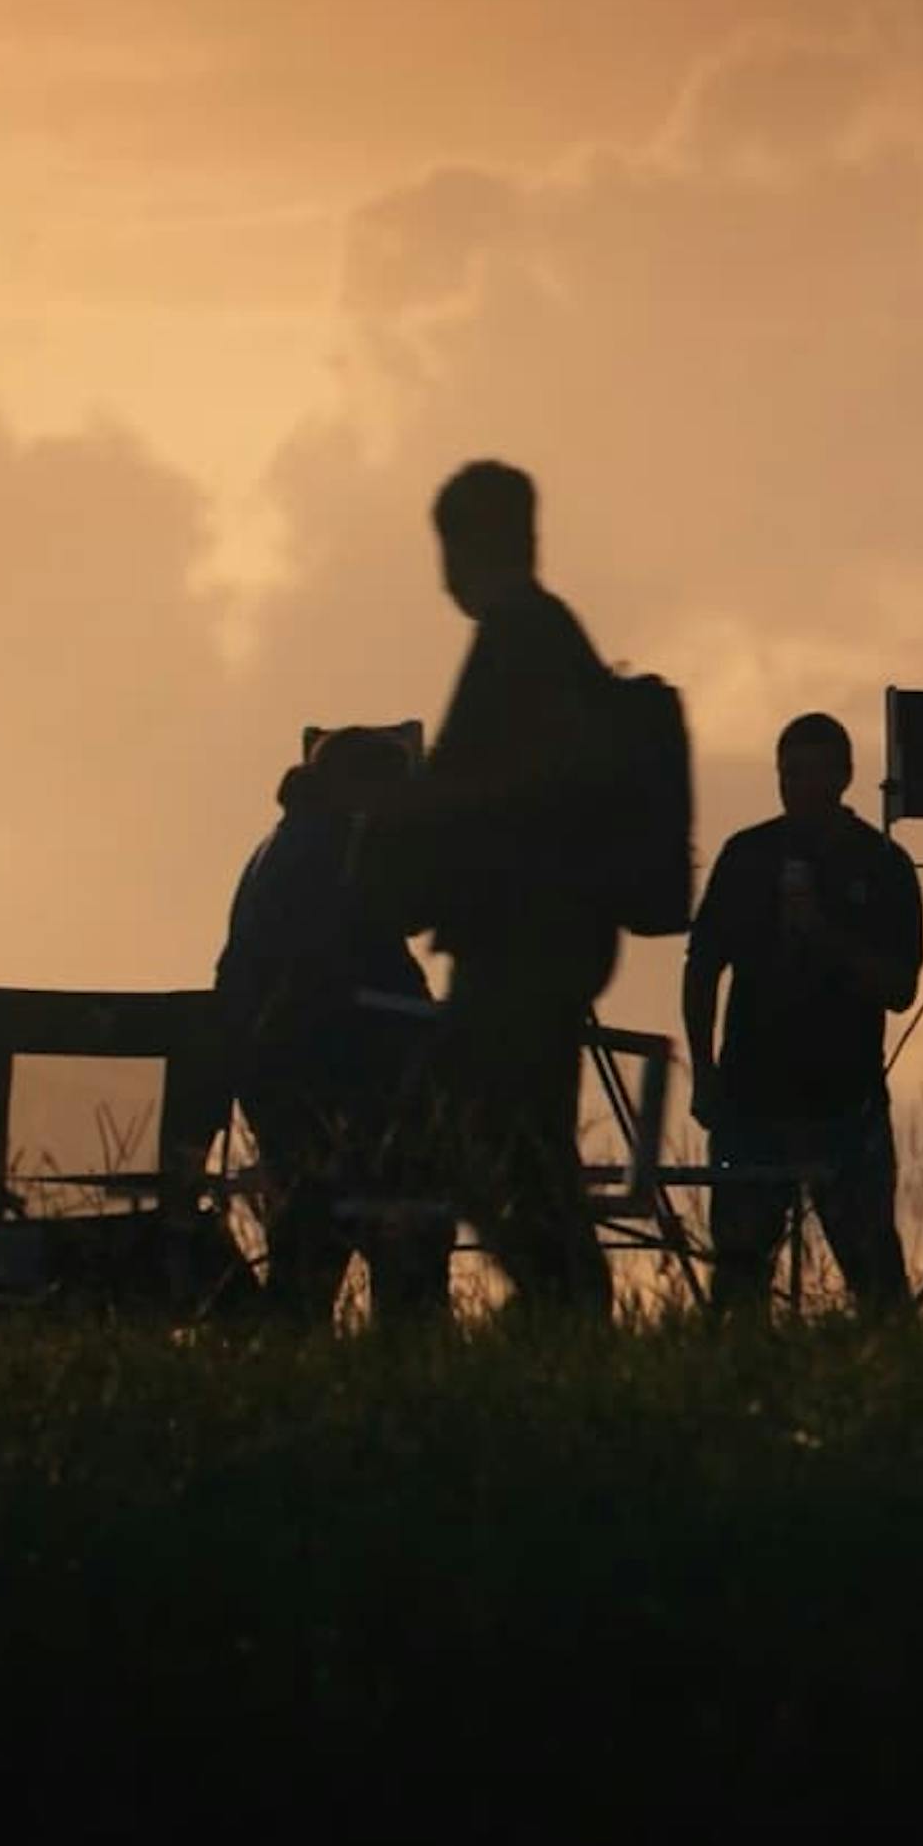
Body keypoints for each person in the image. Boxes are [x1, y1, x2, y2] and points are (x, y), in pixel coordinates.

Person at [384, 460, 623, 1333]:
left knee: (462, 1139)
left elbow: (472, 791)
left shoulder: (518, 639)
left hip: (517, 948)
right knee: (518, 1146)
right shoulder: (550, 638)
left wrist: (401, 843)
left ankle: (562, 1309)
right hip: (545, 945)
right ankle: (563, 1313)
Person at [684, 714, 923, 1321]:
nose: (798, 788)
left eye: (813, 774)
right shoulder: (747, 856)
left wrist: (825, 936)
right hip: (750, 1102)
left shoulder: (883, 864)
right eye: (789, 774)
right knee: (739, 1278)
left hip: (847, 1107)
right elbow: (703, 968)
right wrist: (704, 1072)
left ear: (844, 777)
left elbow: (899, 989)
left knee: (874, 1279)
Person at [215, 727, 452, 1328]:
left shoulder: (289, 844)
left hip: (287, 1080)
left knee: (309, 1241)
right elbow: (356, 972)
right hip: (339, 1079)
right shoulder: (333, 853)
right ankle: (411, 1359)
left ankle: (299, 1357)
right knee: (407, 1227)